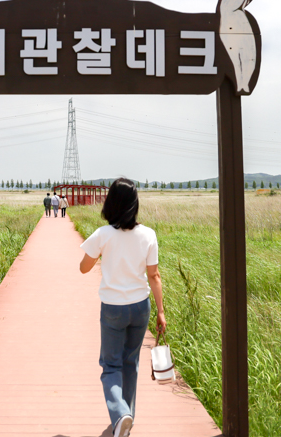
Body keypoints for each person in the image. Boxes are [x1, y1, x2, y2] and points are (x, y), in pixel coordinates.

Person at [79, 178, 164, 437]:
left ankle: (121, 415)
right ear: (135, 204)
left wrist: (105, 255)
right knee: (131, 362)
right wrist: (161, 311)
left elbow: (83, 268)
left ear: (110, 203)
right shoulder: (148, 234)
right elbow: (154, 276)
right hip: (141, 307)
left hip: (113, 309)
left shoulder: (103, 235)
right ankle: (127, 419)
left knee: (111, 366)